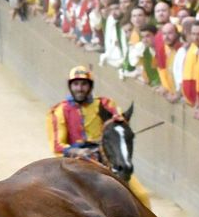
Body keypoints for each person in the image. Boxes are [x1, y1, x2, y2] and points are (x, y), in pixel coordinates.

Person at [47, 66, 150, 204]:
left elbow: (118, 122)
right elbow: (57, 145)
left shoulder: (105, 104)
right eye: (76, 84)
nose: (80, 88)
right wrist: (77, 150)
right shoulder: (58, 111)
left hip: (105, 157)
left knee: (141, 195)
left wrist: (120, 124)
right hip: (74, 161)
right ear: (70, 86)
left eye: (84, 84)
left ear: (90, 86)